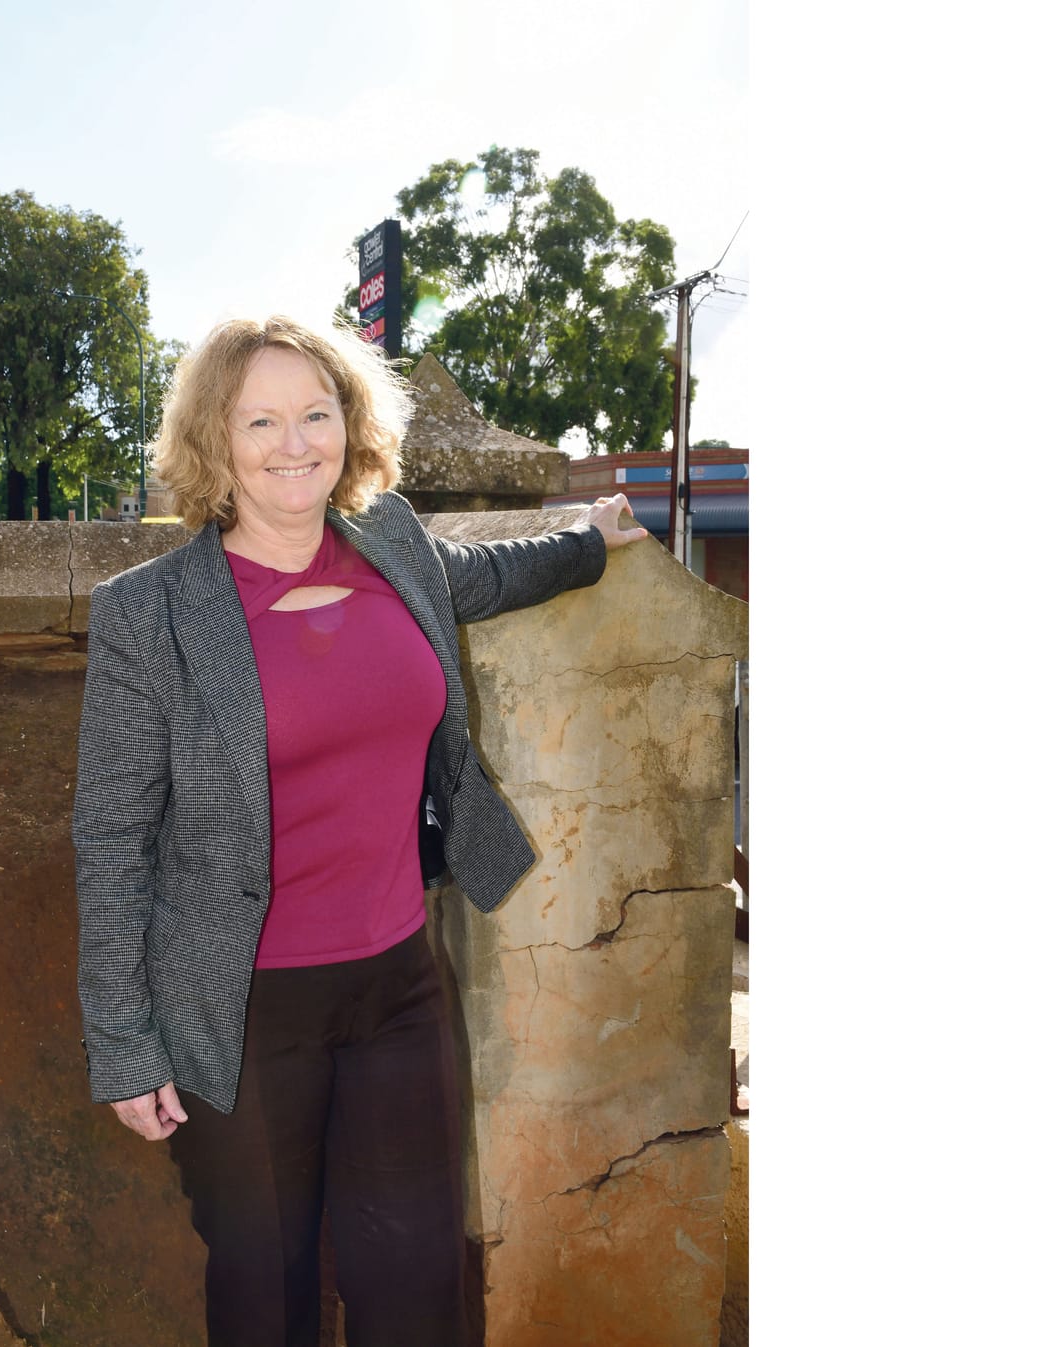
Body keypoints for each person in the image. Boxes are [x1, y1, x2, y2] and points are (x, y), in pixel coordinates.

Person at [72, 314, 646, 1347]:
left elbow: (490, 576)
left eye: (314, 413)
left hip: (396, 984)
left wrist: (588, 540)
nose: (293, 443)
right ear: (216, 439)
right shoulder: (148, 613)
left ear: (349, 422)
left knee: (417, 1288)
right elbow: (111, 838)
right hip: (238, 1008)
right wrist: (122, 1041)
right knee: (264, 1293)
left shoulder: (393, 546)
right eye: (259, 420)